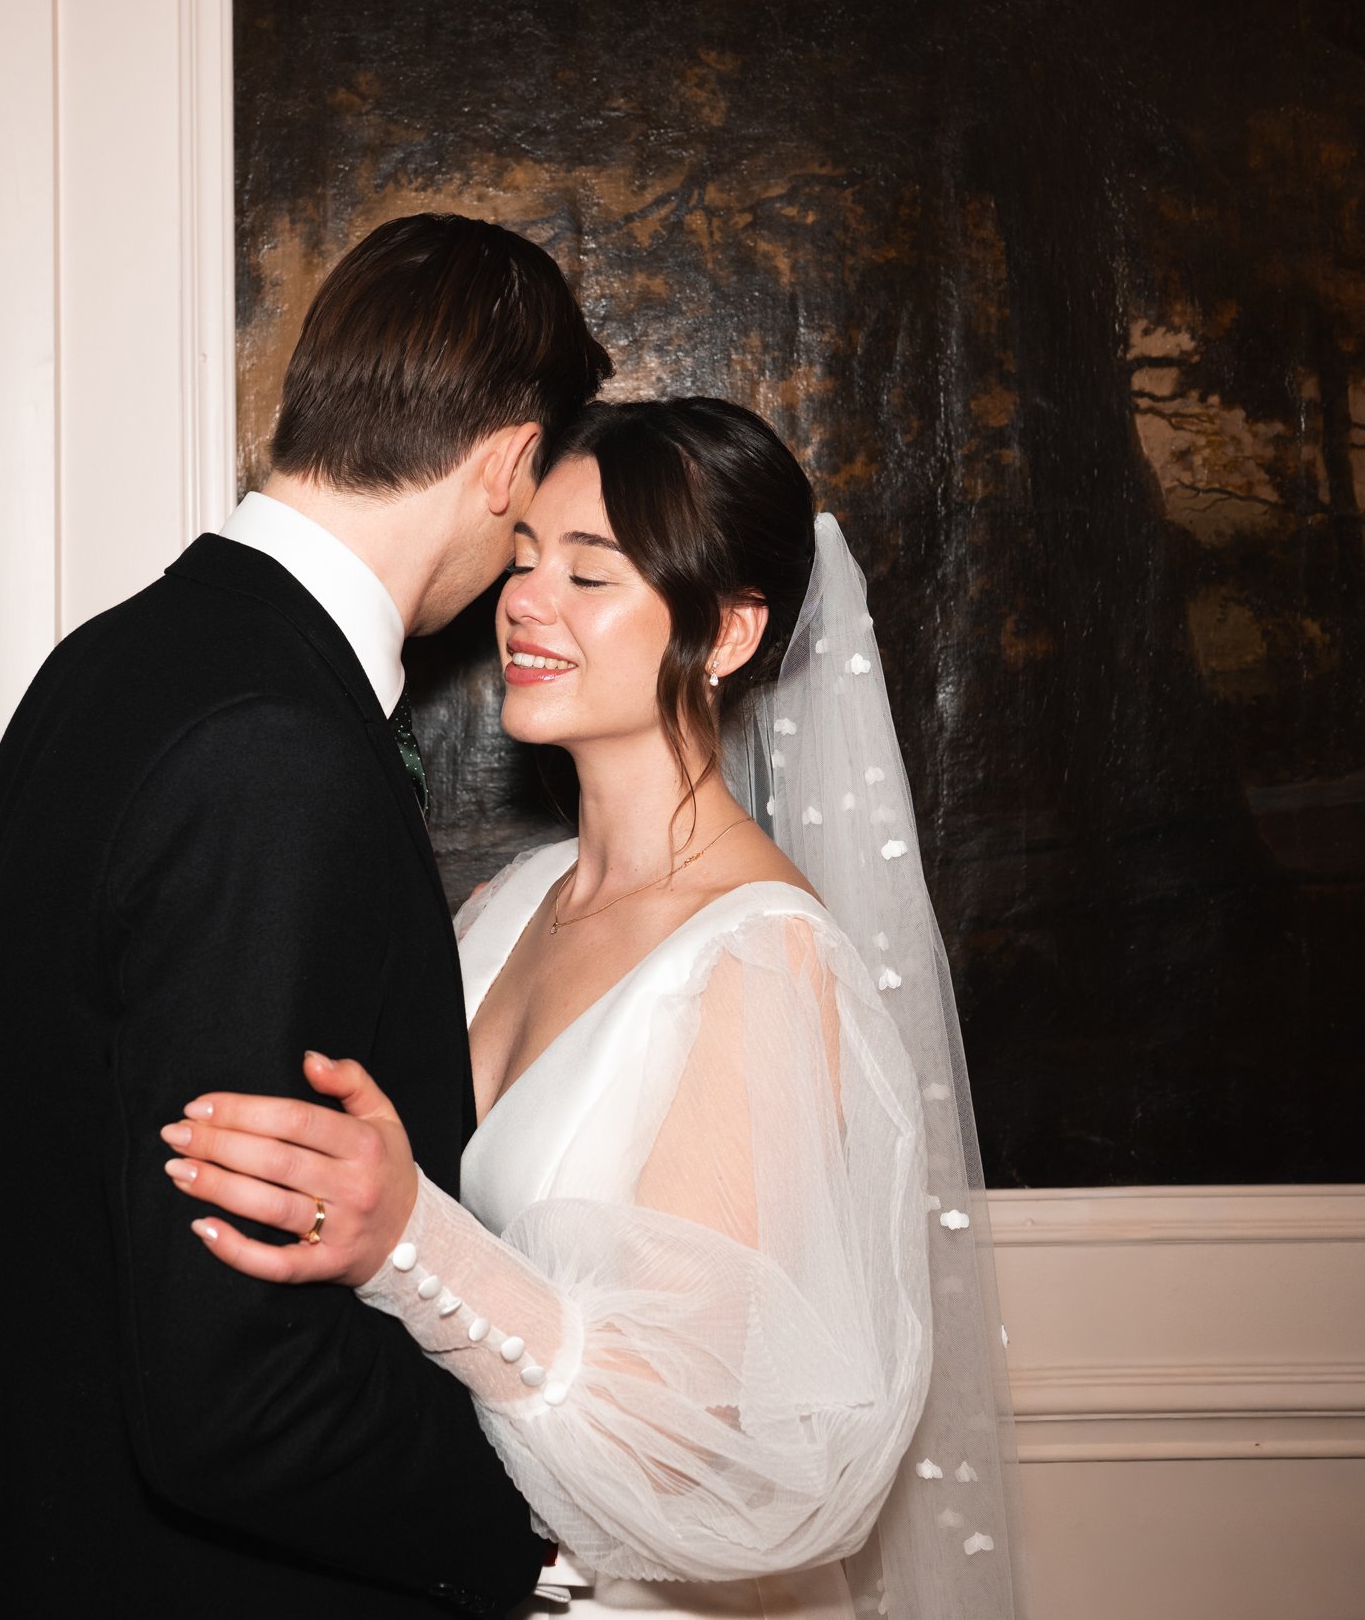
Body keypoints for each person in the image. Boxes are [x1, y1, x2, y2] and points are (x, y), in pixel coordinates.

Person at [164, 401, 1024, 1620]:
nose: (526, 601)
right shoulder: (508, 904)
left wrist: (412, 1238)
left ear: (726, 631)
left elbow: (693, 1452)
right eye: (520, 559)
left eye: (588, 571)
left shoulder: (761, 964)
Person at [0, 214, 611, 1618]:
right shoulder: (274, 748)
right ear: (503, 462)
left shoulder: (103, 663)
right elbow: (233, 1379)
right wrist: (538, 1532)